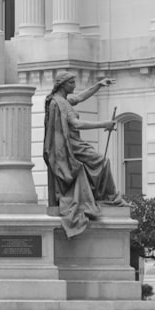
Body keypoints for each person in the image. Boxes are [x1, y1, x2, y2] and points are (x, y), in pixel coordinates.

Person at [43, 71, 129, 239]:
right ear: (63, 84)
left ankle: (102, 196)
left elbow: (80, 97)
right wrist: (103, 124)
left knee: (100, 162)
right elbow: (75, 123)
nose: (74, 86)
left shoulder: (64, 101)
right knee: (101, 161)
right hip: (69, 145)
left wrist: (98, 85)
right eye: (72, 83)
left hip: (74, 142)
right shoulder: (58, 103)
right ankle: (110, 198)